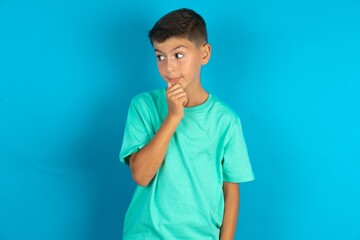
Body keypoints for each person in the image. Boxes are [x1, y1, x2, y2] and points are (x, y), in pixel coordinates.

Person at [119, 8, 254, 239]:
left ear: (204, 54)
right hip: (146, 233)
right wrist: (173, 117)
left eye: (178, 55)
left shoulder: (225, 120)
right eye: (160, 56)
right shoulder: (144, 106)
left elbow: (230, 190)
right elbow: (141, 175)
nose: (168, 67)